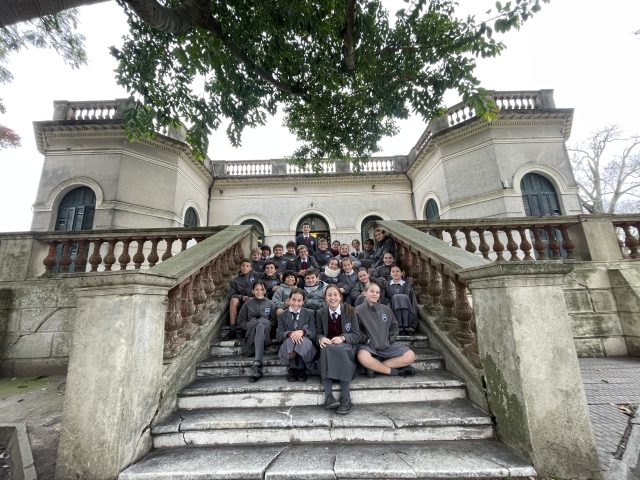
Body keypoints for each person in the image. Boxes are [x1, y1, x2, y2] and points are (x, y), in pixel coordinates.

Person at [315, 285, 364, 415]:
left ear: (340, 297)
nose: (333, 298)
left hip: (345, 347)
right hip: (329, 347)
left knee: (340, 351)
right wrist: (321, 339)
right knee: (325, 349)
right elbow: (318, 333)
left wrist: (343, 338)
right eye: (329, 295)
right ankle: (329, 397)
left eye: (335, 295)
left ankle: (346, 398)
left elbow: (357, 335)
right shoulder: (320, 313)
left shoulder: (350, 311)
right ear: (325, 298)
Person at [356, 282, 416, 378]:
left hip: (386, 346)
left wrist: (390, 339)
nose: (375, 294)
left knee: (410, 355)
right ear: (365, 293)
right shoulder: (358, 310)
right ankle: (394, 372)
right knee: (362, 356)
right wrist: (367, 340)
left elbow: (394, 327)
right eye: (372, 291)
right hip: (369, 347)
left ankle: (375, 367)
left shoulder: (386, 309)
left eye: (377, 292)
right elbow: (356, 331)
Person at [237, 281, 278, 383]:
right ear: (252, 291)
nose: (259, 292)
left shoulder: (270, 304)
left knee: (260, 326)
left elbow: (273, 320)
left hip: (265, 331)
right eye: (257, 289)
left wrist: (264, 322)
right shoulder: (247, 304)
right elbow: (240, 321)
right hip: (251, 331)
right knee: (258, 326)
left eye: (262, 289)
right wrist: (249, 325)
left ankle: (257, 363)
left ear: (265, 291)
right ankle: (257, 364)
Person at [276, 288, 317, 382]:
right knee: (291, 339)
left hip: (306, 346)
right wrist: (290, 334)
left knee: (301, 339)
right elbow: (278, 335)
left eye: (299, 300)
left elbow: (313, 333)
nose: (296, 303)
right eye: (293, 299)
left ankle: (302, 368)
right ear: (289, 299)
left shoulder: (310, 313)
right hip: (289, 348)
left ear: (303, 302)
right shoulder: (282, 315)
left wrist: (303, 331)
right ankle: (293, 368)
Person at [226, 258, 258, 340]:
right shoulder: (234, 281)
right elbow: (231, 295)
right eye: (243, 266)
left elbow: (268, 276)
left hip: (255, 300)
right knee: (233, 300)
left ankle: (247, 328)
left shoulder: (256, 276)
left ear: (250, 268)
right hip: (241, 301)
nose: (245, 268)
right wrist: (242, 297)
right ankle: (232, 329)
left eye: (247, 266)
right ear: (240, 267)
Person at [385, 265, 418, 334]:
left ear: (402, 273)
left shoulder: (407, 285)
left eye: (397, 271)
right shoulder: (387, 284)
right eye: (393, 271)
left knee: (402, 297)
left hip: (406, 309)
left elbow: (412, 301)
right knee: (396, 297)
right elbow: (386, 297)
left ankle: (406, 325)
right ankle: (398, 325)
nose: (395, 273)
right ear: (390, 273)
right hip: (393, 308)